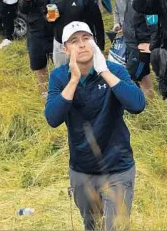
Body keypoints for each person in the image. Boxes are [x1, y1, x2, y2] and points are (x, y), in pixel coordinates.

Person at [45, 21, 145, 231]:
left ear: (95, 42)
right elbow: (53, 118)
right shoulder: (59, 77)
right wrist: (73, 80)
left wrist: (104, 72)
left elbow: (137, 104)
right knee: (92, 225)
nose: (82, 45)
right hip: (82, 169)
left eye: (86, 38)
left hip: (118, 166)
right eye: (74, 41)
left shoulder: (114, 70)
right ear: (65, 49)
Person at [46, 0, 105, 66]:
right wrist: (48, 18)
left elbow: (97, 22)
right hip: (60, 44)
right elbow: (44, 13)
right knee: (63, 77)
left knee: (85, 75)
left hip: (81, 44)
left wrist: (100, 47)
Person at [18, 0, 57, 94]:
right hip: (35, 31)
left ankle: (61, 91)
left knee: (59, 64)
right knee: (39, 65)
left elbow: (58, 3)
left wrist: (52, 16)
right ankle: (44, 93)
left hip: (53, 31)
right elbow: (22, 10)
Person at [118, 0, 153, 97]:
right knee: (144, 77)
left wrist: (152, 43)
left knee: (127, 79)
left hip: (140, 46)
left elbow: (153, 22)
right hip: (130, 43)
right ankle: (149, 107)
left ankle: (134, 107)